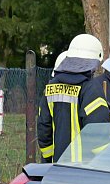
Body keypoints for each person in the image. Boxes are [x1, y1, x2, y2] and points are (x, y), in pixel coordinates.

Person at [37, 34, 102, 162]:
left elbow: (44, 128)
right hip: (85, 167)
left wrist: (48, 159)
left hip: (57, 165)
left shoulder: (50, 88)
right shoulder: (91, 88)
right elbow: (98, 132)